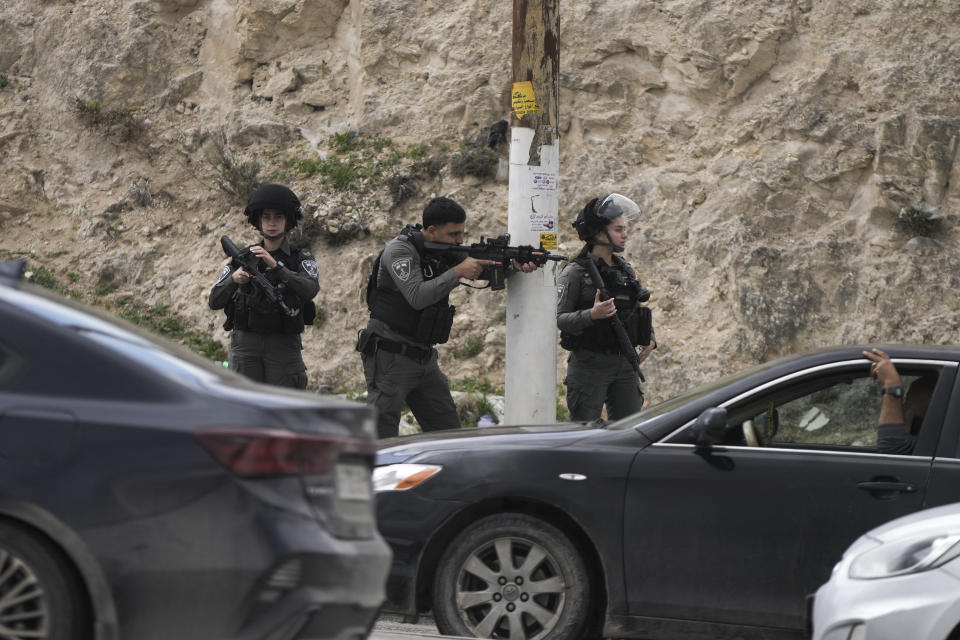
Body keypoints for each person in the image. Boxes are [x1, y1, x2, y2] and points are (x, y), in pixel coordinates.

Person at [357, 196, 537, 439]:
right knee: (381, 435)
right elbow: (417, 296)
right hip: (390, 355)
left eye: (462, 233)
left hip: (424, 357)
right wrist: (457, 272)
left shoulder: (445, 250)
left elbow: (481, 268)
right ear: (431, 230)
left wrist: (511, 264)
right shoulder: (400, 250)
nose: (460, 240)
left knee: (449, 434)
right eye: (454, 234)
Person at [209, 183, 319, 389]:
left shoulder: (301, 258)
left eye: (278, 217)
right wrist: (234, 280)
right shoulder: (243, 257)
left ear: (288, 221)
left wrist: (277, 267)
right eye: (266, 217)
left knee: (285, 409)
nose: (272, 223)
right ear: (258, 221)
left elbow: (310, 289)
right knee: (244, 410)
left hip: (283, 346)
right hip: (246, 346)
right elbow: (214, 300)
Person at [557, 194, 656, 422]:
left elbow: (634, 310)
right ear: (600, 233)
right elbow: (560, 318)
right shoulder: (575, 272)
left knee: (629, 431)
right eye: (618, 229)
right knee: (584, 433)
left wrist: (650, 336)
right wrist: (592, 315)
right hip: (589, 365)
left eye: (624, 229)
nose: (625, 234)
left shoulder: (625, 270)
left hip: (625, 364)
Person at [863, 347, 936, 454]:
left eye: (908, 402)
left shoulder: (933, 446)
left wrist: (891, 384)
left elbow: (891, 447)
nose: (902, 407)